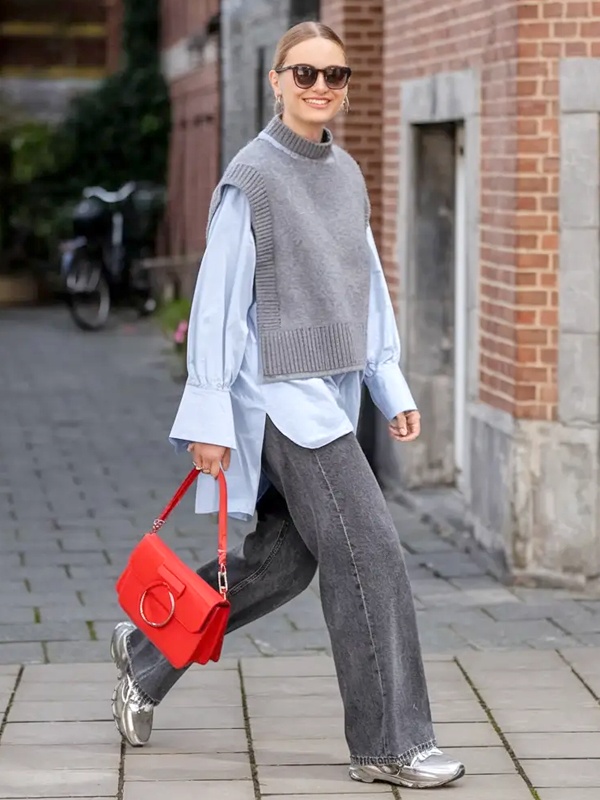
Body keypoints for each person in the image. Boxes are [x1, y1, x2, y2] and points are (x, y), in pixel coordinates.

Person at [110, 21, 466, 790]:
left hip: (331, 389)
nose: (319, 88)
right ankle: (388, 744)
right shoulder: (252, 176)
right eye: (302, 74)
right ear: (275, 81)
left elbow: (363, 285)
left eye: (333, 76)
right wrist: (207, 418)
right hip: (276, 398)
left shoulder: (345, 173)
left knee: (282, 562)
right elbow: (215, 303)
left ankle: (146, 651)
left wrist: (388, 382)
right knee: (370, 553)